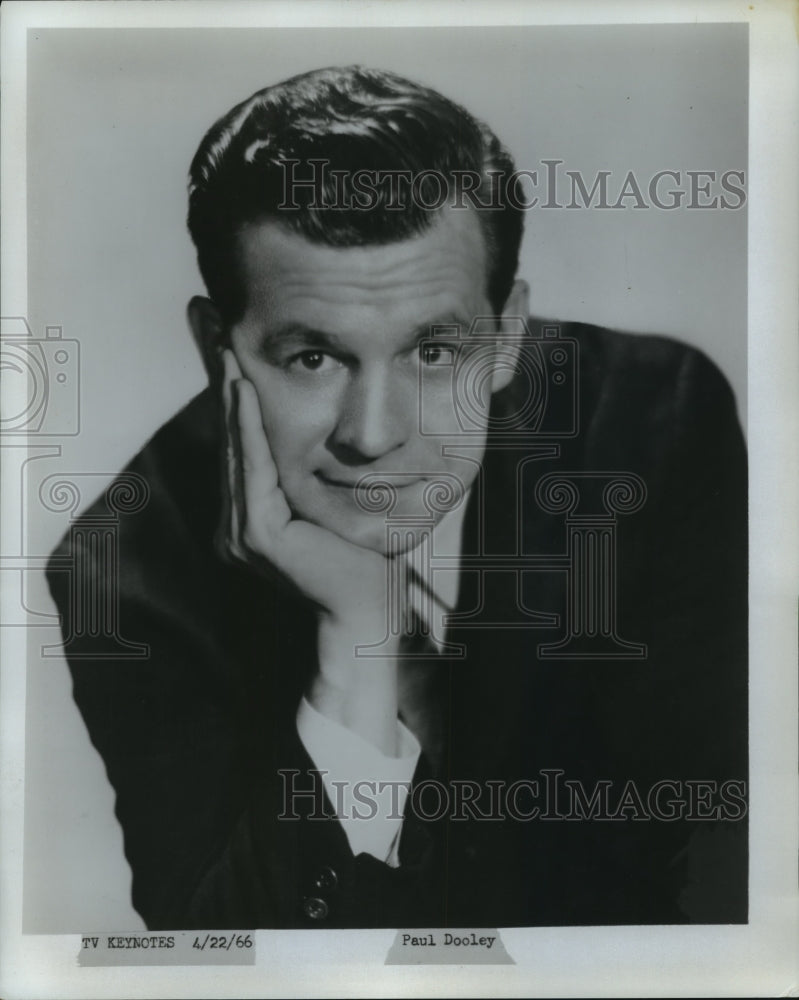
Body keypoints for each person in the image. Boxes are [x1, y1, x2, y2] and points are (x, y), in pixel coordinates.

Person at [46, 65, 748, 930]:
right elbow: (222, 963)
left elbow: (713, 894)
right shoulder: (125, 572)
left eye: (435, 353)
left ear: (508, 336)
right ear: (213, 347)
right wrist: (358, 638)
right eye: (313, 357)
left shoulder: (652, 429)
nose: (372, 434)